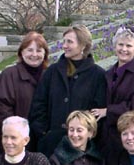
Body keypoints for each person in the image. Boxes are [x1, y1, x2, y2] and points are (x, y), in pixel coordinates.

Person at [29, 25, 106, 157]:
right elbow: (38, 105)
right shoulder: (52, 72)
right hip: (51, 146)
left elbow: (97, 113)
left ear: (82, 45)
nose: (64, 46)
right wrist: (44, 133)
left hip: (81, 148)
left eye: (70, 42)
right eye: (64, 41)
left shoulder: (98, 75)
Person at [91, 25, 134, 152]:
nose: (124, 49)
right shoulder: (107, 74)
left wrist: (108, 111)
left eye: (129, 46)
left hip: (127, 139)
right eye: (120, 44)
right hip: (104, 139)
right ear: (115, 47)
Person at [0, 31, 50, 150]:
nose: (34, 54)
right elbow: (2, 108)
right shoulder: (9, 75)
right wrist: (17, 133)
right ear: (21, 52)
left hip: (43, 142)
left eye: (39, 50)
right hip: (15, 143)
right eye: (29, 50)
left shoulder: (51, 76)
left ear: (45, 54)